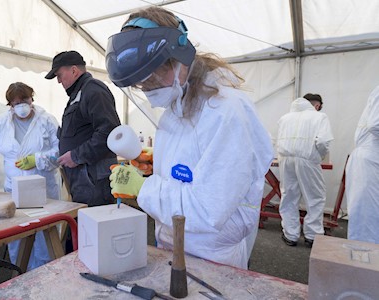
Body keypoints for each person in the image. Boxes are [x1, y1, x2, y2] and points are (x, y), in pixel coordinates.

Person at [105, 7, 273, 269]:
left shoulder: (226, 112)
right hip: (173, 244)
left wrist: (144, 188)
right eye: (140, 83)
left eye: (151, 77)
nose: (147, 88)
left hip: (212, 257)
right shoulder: (178, 104)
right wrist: (157, 167)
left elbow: (208, 209)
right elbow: (191, 169)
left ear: (179, 57)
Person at [0, 82, 60, 270]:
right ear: (10, 105)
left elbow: (61, 151)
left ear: (32, 99)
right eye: (15, 103)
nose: (21, 106)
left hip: (43, 192)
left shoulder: (47, 121)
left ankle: (47, 280)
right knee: (17, 237)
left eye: (24, 100)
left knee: (45, 240)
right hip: (13, 192)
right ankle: (21, 277)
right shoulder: (2, 123)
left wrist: (37, 159)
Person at [45, 50, 121, 207]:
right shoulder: (79, 94)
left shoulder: (93, 91)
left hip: (94, 177)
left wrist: (76, 156)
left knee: (95, 223)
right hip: (84, 177)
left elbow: (109, 132)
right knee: (85, 223)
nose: (59, 81)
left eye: (59, 75)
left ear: (74, 70)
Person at [277, 96, 333, 248]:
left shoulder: (285, 118)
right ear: (316, 105)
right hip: (307, 159)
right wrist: (318, 156)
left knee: (289, 196)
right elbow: (322, 141)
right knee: (314, 197)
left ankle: (290, 234)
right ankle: (312, 236)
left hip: (285, 158)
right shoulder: (320, 117)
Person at [346, 85, 379, 244]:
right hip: (371, 160)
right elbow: (376, 124)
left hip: (370, 159)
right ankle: (364, 266)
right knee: (367, 220)